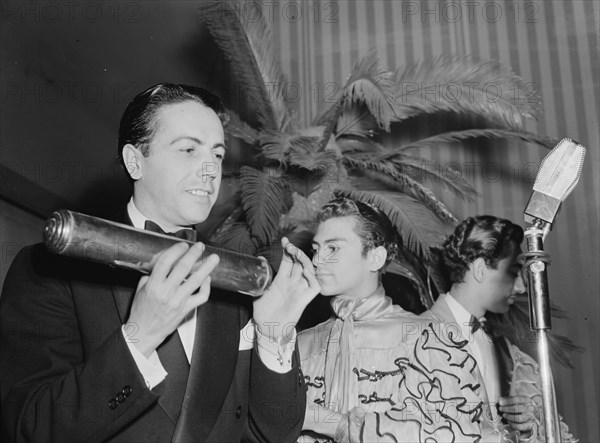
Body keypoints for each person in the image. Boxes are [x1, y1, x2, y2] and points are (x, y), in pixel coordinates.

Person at [1, 83, 321, 442]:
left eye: (216, 155)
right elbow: (28, 428)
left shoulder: (237, 276)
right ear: (135, 161)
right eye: (188, 149)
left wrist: (272, 333)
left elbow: (273, 434)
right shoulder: (49, 267)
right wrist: (140, 336)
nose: (210, 171)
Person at [298, 197, 485, 443]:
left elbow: (456, 433)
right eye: (316, 249)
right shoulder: (302, 344)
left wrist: (337, 424)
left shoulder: (427, 338)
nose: (317, 261)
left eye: (333, 248)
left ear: (375, 258)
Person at [420, 215, 577, 442]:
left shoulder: (511, 355)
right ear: (481, 269)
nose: (522, 287)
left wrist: (524, 430)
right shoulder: (416, 339)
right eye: (513, 273)